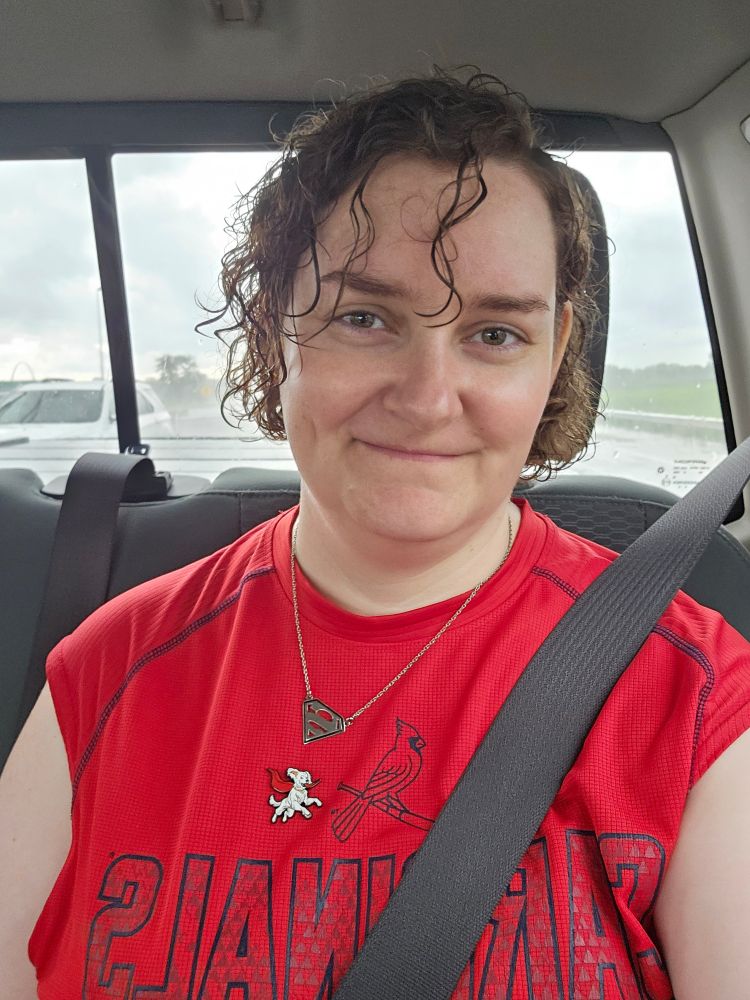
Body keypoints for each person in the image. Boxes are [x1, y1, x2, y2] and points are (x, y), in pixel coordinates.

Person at [1, 70, 749, 999]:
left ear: (555, 352)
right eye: (364, 318)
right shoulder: (106, 671)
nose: (428, 399)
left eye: (495, 334)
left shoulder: (694, 696)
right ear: (274, 333)